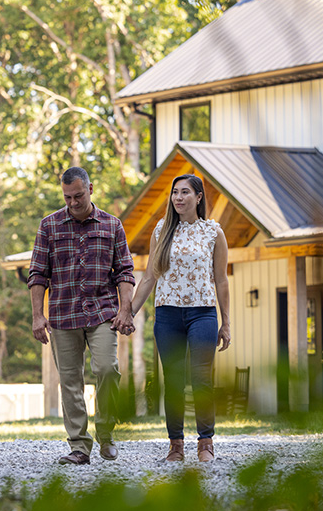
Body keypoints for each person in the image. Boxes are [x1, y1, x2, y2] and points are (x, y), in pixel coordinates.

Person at [28, 167, 136, 465]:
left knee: (107, 369)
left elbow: (125, 270)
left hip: (102, 312)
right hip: (63, 314)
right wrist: (38, 316)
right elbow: (38, 274)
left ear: (91, 188)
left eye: (78, 195)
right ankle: (79, 445)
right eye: (67, 197)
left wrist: (125, 310)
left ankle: (106, 430)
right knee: (70, 381)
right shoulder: (48, 226)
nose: (73, 202)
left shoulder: (112, 225)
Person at [131, 174, 231, 462]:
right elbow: (150, 277)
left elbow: (221, 281)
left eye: (185, 192)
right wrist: (129, 312)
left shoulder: (214, 232)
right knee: (173, 380)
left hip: (202, 313)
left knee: (201, 380)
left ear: (198, 198)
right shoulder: (161, 230)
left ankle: (205, 444)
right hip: (167, 314)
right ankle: (176, 446)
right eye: (175, 193)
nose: (178, 198)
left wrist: (227, 323)